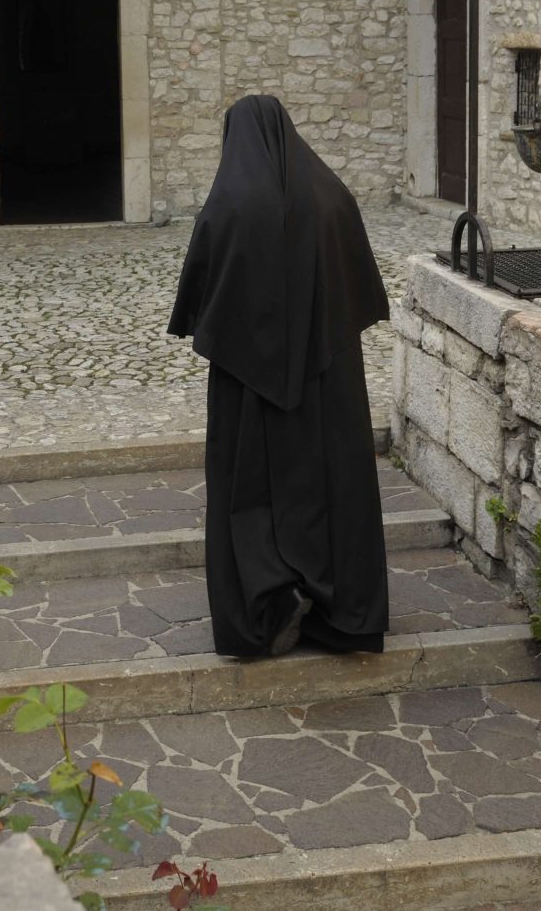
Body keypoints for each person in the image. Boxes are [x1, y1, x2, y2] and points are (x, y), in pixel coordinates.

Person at [168, 94, 391, 658]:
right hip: (329, 379)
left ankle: (265, 605)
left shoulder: (230, 205)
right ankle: (341, 611)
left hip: (247, 383)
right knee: (333, 481)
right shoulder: (334, 197)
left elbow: (204, 291)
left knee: (251, 485)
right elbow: (355, 285)